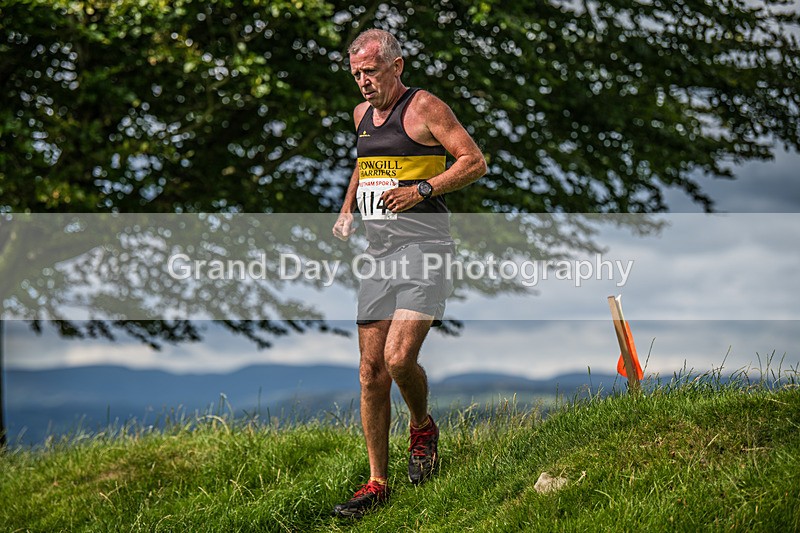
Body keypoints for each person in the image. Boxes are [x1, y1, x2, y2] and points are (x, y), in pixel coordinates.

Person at [331, 28, 486, 518]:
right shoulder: (360, 115)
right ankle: (377, 482)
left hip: (424, 249)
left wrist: (421, 190)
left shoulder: (425, 108)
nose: (363, 83)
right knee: (369, 372)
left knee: (399, 360)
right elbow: (365, 162)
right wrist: (348, 208)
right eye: (356, 74)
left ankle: (422, 427)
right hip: (377, 255)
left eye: (371, 72)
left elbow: (474, 162)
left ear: (397, 66)